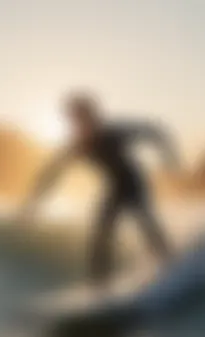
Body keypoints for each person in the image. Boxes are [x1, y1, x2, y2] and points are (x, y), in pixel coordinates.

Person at [23, 92, 182, 286]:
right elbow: (52, 173)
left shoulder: (114, 132)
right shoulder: (77, 145)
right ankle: (99, 288)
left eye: (82, 117)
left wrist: (170, 157)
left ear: (93, 116)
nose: (79, 124)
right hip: (115, 187)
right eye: (74, 119)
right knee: (100, 236)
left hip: (133, 183)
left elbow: (153, 131)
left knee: (146, 225)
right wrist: (34, 202)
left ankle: (175, 271)